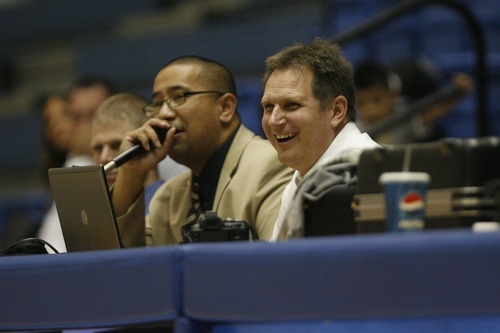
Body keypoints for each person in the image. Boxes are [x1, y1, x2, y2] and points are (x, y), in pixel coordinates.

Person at [111, 55, 293, 246]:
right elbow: (127, 266)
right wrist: (131, 173)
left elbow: (276, 263)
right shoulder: (168, 197)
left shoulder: (271, 165)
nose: (164, 114)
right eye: (157, 103)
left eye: (179, 97)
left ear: (225, 107)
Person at [260, 38, 381, 241]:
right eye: (268, 107)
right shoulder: (300, 179)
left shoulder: (368, 176)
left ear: (336, 111)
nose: (274, 121)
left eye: (291, 105)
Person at [37, 77, 114, 252]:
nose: (84, 127)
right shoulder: (76, 163)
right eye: (77, 117)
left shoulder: (151, 159)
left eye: (94, 115)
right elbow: (52, 244)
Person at [91, 92, 186, 214]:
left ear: (149, 139)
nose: (104, 158)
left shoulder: (172, 207)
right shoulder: (95, 211)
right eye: (98, 148)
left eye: (117, 145)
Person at [353, 59, 474, 145]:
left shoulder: (404, 119)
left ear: (392, 96)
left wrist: (457, 94)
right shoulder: (355, 129)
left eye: (376, 100)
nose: (370, 109)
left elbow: (432, 113)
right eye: (361, 103)